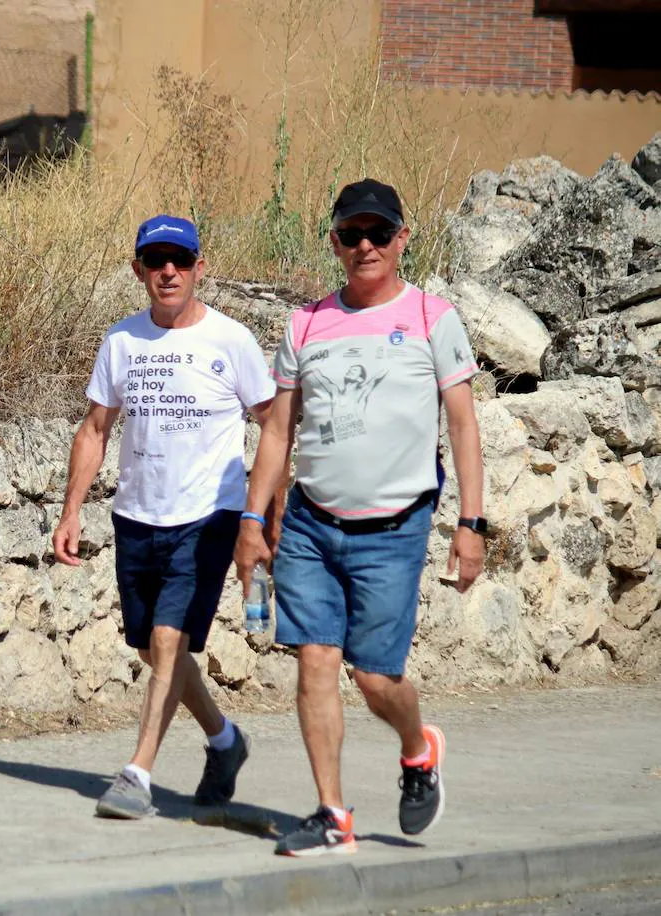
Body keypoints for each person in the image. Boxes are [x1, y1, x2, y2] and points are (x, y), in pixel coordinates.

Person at [235, 178, 487, 857]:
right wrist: (252, 522)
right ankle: (331, 815)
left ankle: (417, 746)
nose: (366, 245)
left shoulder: (434, 317)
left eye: (379, 233)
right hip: (313, 528)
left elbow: (462, 426)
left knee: (376, 679)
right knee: (315, 660)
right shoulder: (305, 324)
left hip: (394, 531)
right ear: (335, 243)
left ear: (402, 238)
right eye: (352, 234)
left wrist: (473, 523)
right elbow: (278, 434)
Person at [52, 215, 279, 819]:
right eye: (156, 262)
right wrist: (72, 510)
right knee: (156, 652)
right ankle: (226, 741)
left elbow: (275, 426)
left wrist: (265, 514)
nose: (168, 272)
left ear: (200, 267)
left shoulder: (232, 340)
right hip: (136, 516)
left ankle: (137, 774)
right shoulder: (122, 341)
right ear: (139, 271)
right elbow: (96, 428)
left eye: (180, 260)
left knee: (167, 639)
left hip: (209, 516)